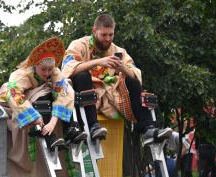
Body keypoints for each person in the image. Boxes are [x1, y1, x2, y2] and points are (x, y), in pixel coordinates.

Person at [0, 37, 104, 177]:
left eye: (49, 70)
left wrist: (52, 123)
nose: (47, 73)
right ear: (35, 66)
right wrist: (35, 118)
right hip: (10, 104)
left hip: (42, 105)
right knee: (44, 92)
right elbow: (14, 96)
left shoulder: (55, 73)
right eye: (43, 70)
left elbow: (65, 94)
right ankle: (49, 137)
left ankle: (71, 129)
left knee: (63, 88)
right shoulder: (20, 75)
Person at [61, 14, 172, 144]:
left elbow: (136, 75)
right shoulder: (78, 45)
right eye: (104, 35)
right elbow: (66, 70)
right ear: (94, 31)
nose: (108, 39)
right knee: (82, 76)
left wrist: (123, 68)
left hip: (111, 97)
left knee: (132, 80)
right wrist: (99, 62)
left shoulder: (118, 51)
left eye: (111, 35)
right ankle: (93, 127)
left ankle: (147, 128)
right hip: (84, 96)